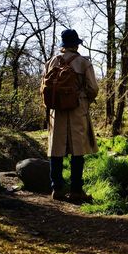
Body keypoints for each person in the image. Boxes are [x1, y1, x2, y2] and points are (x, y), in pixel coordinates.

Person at [42, 29, 99, 202]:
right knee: (77, 150)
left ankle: (57, 189)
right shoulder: (83, 63)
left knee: (56, 150)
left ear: (62, 45)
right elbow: (93, 88)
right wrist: (85, 99)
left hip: (56, 111)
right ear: (76, 44)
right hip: (77, 109)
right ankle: (76, 191)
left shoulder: (50, 62)